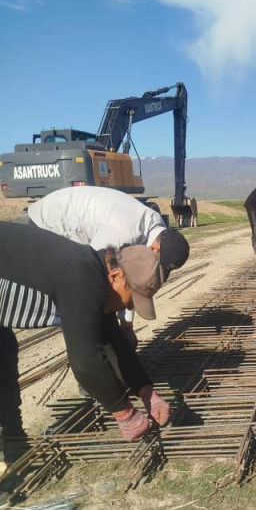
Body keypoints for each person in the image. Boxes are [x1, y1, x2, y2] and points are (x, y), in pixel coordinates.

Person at [0, 222, 171, 466]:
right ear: (116, 276)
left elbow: (110, 340)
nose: (129, 306)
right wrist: (124, 412)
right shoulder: (81, 280)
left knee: (4, 355)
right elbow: (84, 360)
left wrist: (145, 390)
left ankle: (13, 443)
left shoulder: (95, 273)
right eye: (132, 298)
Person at [26, 187, 190, 345]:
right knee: (82, 301)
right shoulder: (123, 233)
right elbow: (93, 271)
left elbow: (133, 281)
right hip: (47, 223)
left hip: (78, 228)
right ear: (155, 249)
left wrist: (126, 325)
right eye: (158, 264)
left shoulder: (157, 230)